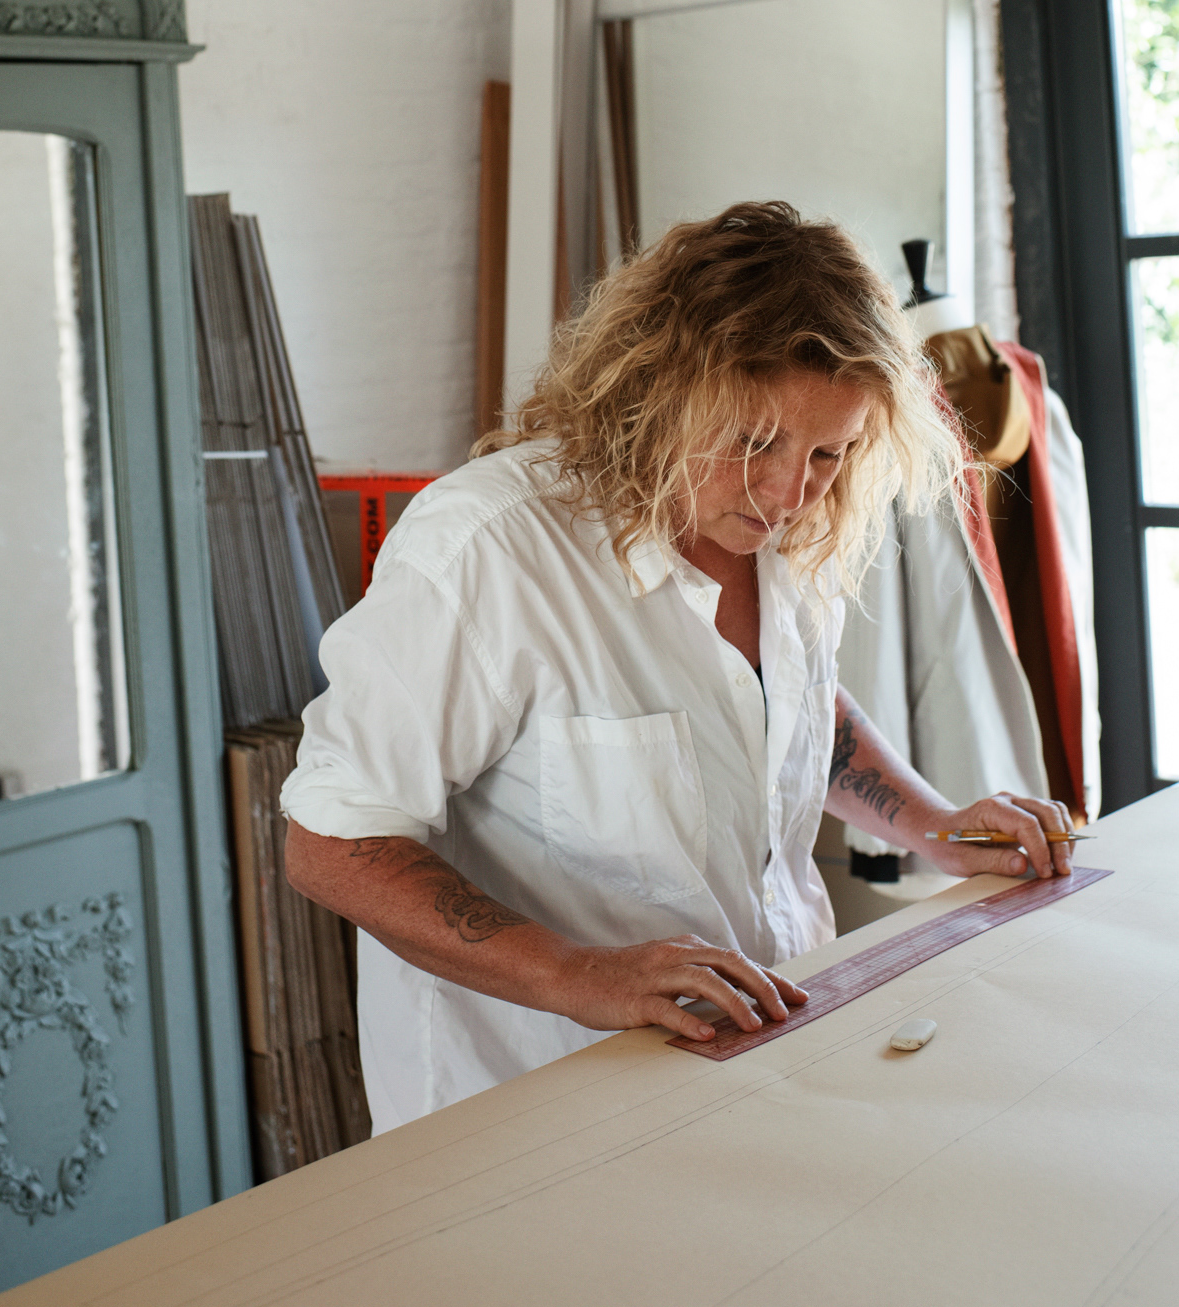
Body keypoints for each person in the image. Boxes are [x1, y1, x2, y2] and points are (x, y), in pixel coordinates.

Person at [281, 202, 1071, 1132]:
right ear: (658, 389)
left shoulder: (788, 529)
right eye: (753, 443)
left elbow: (784, 707)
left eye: (830, 451)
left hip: (754, 1068)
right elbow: (332, 842)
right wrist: (577, 974)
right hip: (530, 1113)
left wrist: (932, 823)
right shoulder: (488, 549)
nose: (788, 491)